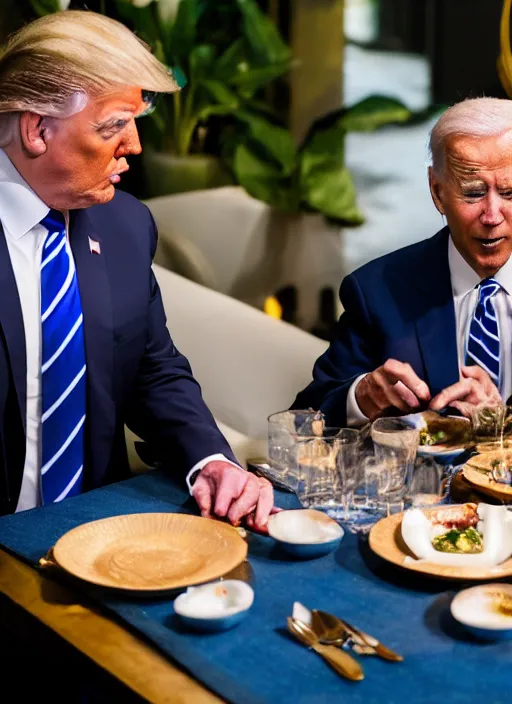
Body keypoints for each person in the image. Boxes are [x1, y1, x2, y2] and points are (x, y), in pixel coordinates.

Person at [0, 10, 274, 530]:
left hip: (97, 531)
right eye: (113, 126)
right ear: (37, 130)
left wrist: (209, 461)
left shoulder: (125, 225)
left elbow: (153, 369)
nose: (135, 146)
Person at [293, 97, 512, 426]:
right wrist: (362, 396)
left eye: (509, 193)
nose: (492, 216)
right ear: (437, 192)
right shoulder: (377, 291)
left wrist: (503, 423)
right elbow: (306, 419)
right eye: (473, 193)